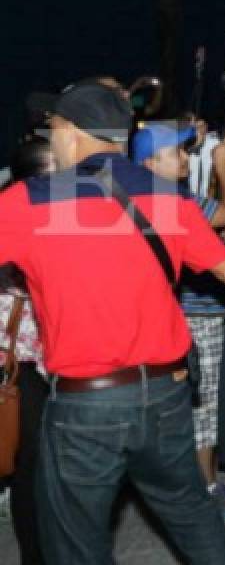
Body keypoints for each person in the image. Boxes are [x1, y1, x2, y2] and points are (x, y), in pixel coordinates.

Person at [0, 80, 225, 564]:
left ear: (70, 132)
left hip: (85, 407)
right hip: (167, 397)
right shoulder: (170, 198)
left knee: (76, 543)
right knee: (193, 516)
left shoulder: (27, 202)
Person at [131, 123, 225, 520]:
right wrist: (224, 167)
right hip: (196, 314)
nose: (187, 158)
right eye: (178, 153)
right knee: (202, 407)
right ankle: (205, 492)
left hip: (163, 316)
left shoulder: (134, 198)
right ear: (151, 162)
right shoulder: (171, 201)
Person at [1, 137, 55, 565]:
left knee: (33, 468)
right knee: (29, 470)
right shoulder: (19, 217)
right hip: (16, 364)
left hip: (38, 359)